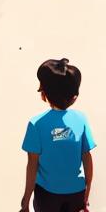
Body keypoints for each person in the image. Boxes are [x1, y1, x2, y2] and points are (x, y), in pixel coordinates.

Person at [20, 58, 95, 212]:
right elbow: (87, 158)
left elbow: (32, 166)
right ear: (74, 97)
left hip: (47, 196)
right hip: (76, 193)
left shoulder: (36, 124)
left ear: (44, 93)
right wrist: (87, 192)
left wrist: (26, 200)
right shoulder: (81, 119)